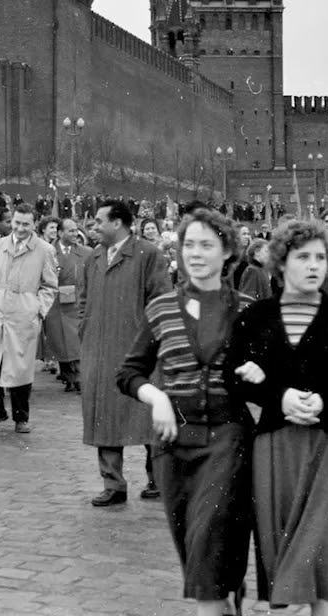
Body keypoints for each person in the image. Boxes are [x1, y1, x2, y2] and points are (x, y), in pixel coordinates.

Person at [225, 220, 328, 614]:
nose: (313, 265)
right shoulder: (254, 318)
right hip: (277, 446)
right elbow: (233, 375)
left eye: (320, 258)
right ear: (281, 263)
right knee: (288, 556)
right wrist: (278, 396)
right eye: (302, 257)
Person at [114, 210, 255, 616]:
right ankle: (225, 601)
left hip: (227, 441)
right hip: (173, 447)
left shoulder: (246, 309)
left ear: (227, 252)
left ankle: (217, 602)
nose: (195, 253)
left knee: (208, 547)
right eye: (188, 244)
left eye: (206, 245)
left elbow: (274, 372)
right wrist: (156, 398)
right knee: (194, 550)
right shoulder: (160, 309)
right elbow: (129, 373)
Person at [80, 200, 171, 506]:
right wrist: (86, 330)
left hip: (138, 352)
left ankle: (157, 478)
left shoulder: (148, 254)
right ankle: (113, 484)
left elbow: (162, 302)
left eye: (98, 221)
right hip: (100, 350)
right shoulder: (93, 258)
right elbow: (84, 300)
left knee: (146, 414)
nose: (94, 226)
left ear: (117, 223)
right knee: (103, 415)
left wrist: (150, 343)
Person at [0, 203, 58, 434]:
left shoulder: (44, 250)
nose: (20, 228)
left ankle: (21, 417)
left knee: (21, 367)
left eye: (26, 224)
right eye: (17, 223)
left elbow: (50, 285)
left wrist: (38, 308)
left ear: (33, 224)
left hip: (24, 313)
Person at [43, 218, 91, 392]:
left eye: (76, 230)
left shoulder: (86, 252)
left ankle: (78, 377)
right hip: (54, 303)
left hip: (75, 303)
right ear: (60, 233)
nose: (74, 234)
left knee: (74, 341)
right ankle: (68, 376)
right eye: (70, 231)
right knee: (58, 340)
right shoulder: (47, 251)